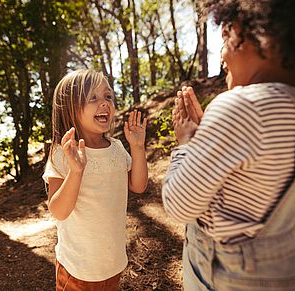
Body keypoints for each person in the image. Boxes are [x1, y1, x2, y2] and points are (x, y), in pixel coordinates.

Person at [162, 0, 295, 290]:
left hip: (223, 276)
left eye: (226, 38)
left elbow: (178, 205)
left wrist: (186, 142)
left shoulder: (243, 107)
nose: (222, 57)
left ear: (262, 35)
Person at [42, 69, 148, 291]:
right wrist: (76, 171)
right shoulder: (63, 153)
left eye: (108, 97)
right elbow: (59, 211)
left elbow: (138, 186)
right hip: (77, 269)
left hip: (113, 263)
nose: (104, 103)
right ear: (71, 107)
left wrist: (137, 148)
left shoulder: (117, 148)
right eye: (93, 98)